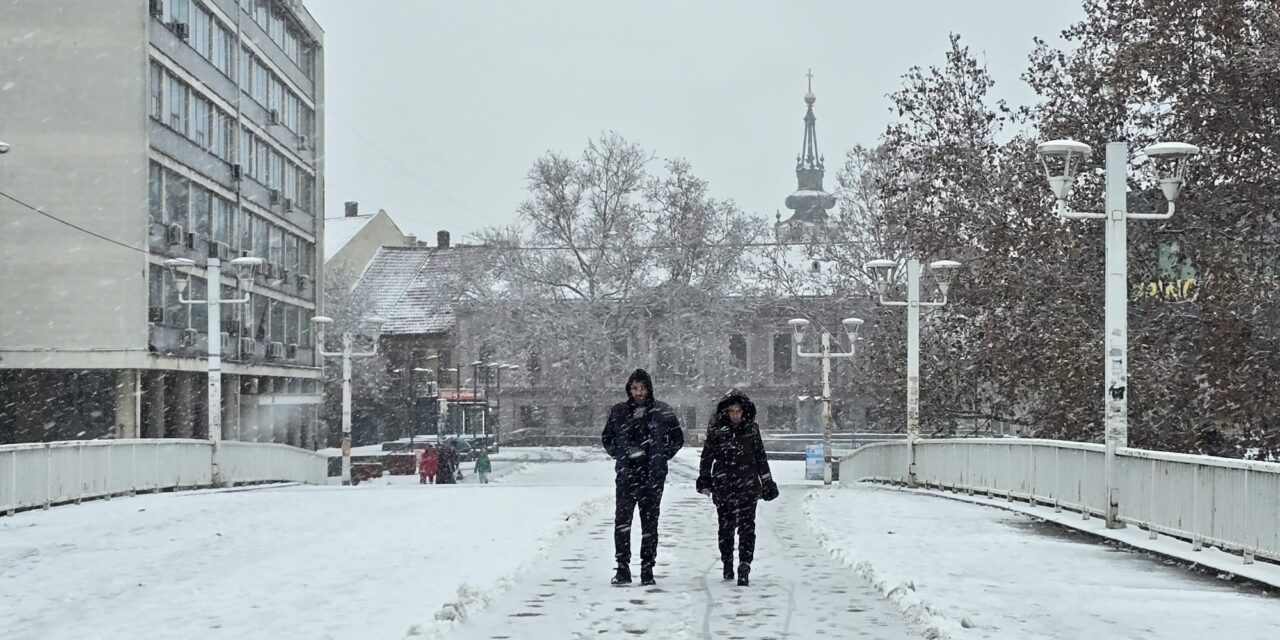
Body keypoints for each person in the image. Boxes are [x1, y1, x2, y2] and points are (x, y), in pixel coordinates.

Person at [601, 368, 684, 586]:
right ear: (629, 389)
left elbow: (677, 438)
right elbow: (607, 438)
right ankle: (622, 568)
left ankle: (647, 569)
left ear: (648, 389)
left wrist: (660, 457)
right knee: (622, 523)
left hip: (652, 478)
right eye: (634, 388)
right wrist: (620, 454)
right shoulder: (619, 411)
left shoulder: (662, 411)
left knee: (649, 525)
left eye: (642, 388)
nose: (638, 392)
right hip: (627, 476)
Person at [696, 389, 778, 587]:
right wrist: (704, 479)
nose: (735, 415)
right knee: (726, 528)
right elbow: (707, 457)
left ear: (744, 412)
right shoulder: (717, 431)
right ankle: (727, 561)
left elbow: (760, 457)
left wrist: (767, 481)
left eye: (738, 411)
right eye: (732, 411)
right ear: (726, 412)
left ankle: (744, 564)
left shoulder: (751, 430)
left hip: (748, 486)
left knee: (747, 528)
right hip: (724, 487)